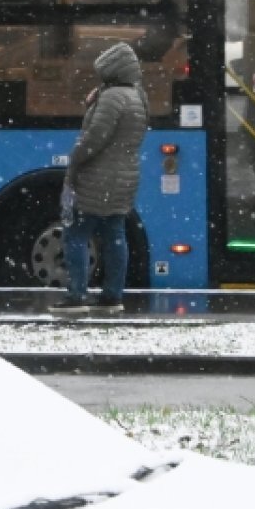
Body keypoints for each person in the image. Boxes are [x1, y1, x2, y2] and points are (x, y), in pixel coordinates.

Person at [50, 41, 148, 316]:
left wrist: (76, 157)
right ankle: (112, 295)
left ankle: (77, 294)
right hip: (125, 177)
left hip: (98, 176)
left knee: (76, 233)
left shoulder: (112, 97)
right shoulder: (138, 95)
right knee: (114, 234)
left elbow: (94, 138)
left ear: (112, 70)